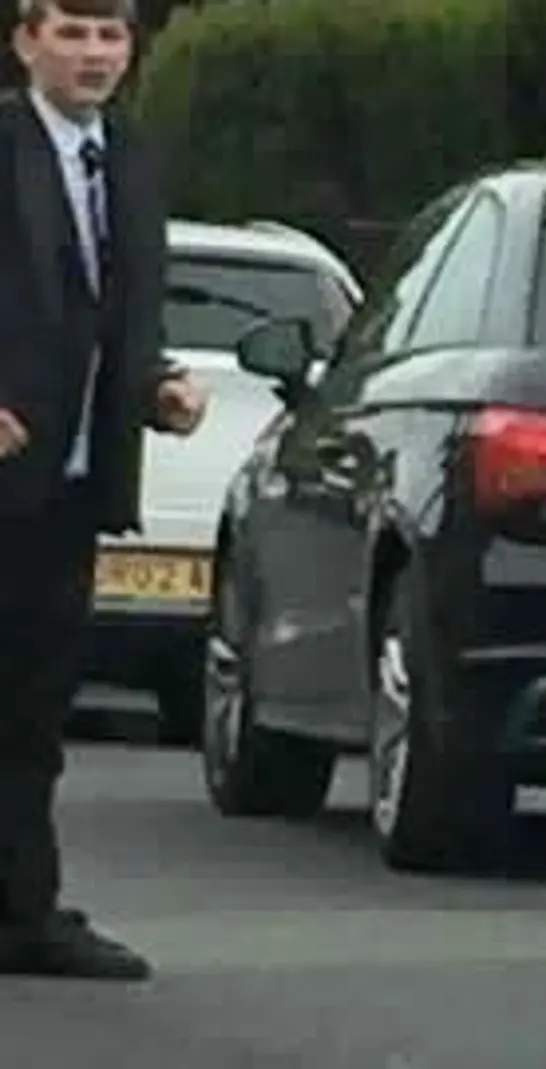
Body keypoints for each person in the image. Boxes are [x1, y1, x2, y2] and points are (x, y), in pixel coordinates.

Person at [0, 0, 207, 981]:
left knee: (32, 711)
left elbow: (122, 306)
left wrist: (155, 384)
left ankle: (21, 914)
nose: (93, 56)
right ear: (24, 41)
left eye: (110, 36)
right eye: (71, 34)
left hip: (70, 483)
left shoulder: (125, 156)